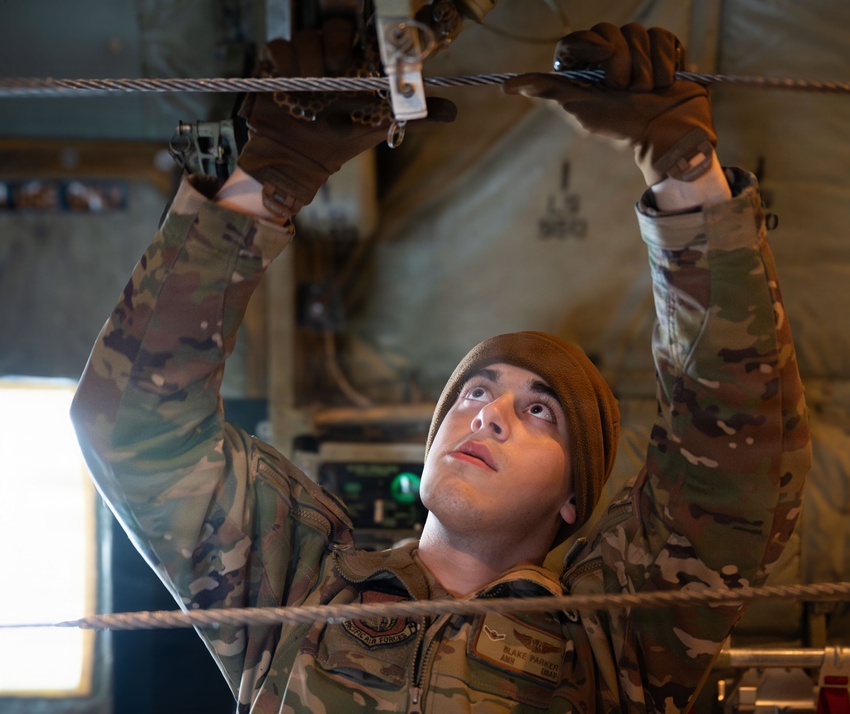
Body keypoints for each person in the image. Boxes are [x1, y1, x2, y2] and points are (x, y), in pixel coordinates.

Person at [71, 18, 811, 714]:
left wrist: (686, 174)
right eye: (476, 392)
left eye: (539, 410)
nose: (488, 412)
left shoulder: (610, 642)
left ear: (572, 500)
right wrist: (266, 178)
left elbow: (736, 465)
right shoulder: (297, 589)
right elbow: (134, 426)